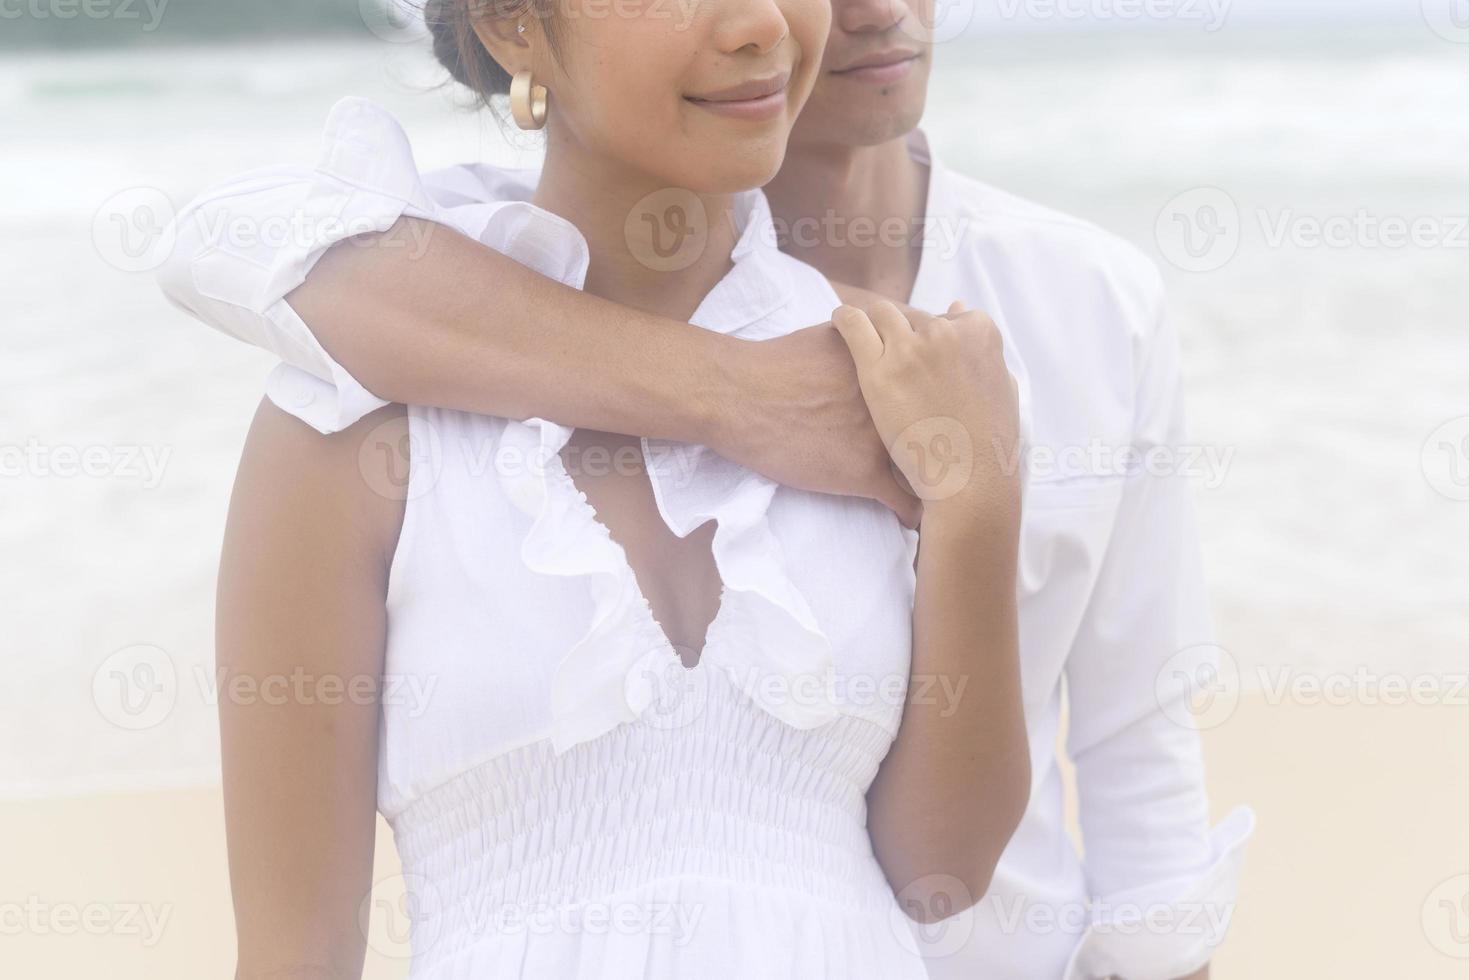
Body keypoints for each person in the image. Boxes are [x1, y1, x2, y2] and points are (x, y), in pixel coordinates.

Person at [159, 1, 1253, 977]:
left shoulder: (888, 383)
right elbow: (296, 951)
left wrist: (978, 501)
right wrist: (735, 396)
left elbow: (944, 868)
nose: (758, 24)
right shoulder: (357, 413)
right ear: (512, 25)